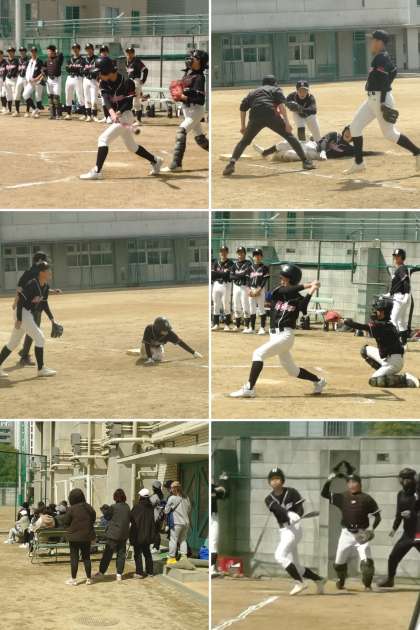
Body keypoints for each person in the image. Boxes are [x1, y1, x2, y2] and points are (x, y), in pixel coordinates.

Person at [229, 264, 326, 398]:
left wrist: (312, 290)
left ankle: (249, 388)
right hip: (274, 336)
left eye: (283, 278)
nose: (281, 280)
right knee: (292, 370)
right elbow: (286, 291)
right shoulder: (278, 291)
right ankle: (318, 381)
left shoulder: (297, 298)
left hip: (285, 335)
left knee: (258, 354)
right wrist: (310, 285)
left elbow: (303, 307)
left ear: (291, 279)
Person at [345, 29, 420, 176]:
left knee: (390, 134)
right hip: (372, 100)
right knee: (355, 128)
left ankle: (417, 152)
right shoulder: (382, 57)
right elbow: (393, 71)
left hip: (380, 100)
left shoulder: (380, 58)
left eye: (373, 40)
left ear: (379, 42)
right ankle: (359, 163)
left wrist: (382, 102)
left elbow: (386, 80)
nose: (371, 43)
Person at [80, 57, 162, 180]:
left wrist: (119, 112)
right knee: (132, 147)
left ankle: (97, 171)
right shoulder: (103, 82)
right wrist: (112, 112)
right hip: (118, 117)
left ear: (107, 71)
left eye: (100, 72)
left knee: (102, 139)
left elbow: (128, 103)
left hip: (126, 116)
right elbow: (106, 100)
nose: (99, 75)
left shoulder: (127, 82)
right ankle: (156, 160)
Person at [223, 75, 315, 176]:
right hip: (271, 114)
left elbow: (242, 108)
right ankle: (305, 162)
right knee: (289, 136)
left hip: (255, 117)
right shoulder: (276, 89)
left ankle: (231, 164)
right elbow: (281, 107)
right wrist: (287, 123)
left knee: (244, 142)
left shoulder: (252, 92)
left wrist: (243, 126)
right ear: (274, 83)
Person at [266, 468, 325, 595]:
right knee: (296, 566)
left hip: (294, 529)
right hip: (283, 530)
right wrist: (288, 513)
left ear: (282, 480)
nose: (275, 481)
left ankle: (299, 582)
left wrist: (297, 515)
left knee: (279, 555)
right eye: (272, 479)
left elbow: (300, 509)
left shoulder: (292, 492)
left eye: (277, 478)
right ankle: (318, 579)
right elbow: (277, 508)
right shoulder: (269, 498)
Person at [321, 468, 381, 590]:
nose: (352, 485)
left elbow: (378, 517)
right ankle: (341, 581)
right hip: (346, 534)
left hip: (361, 534)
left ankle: (367, 585)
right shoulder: (342, 497)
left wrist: (371, 529)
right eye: (349, 482)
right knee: (338, 564)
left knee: (367, 563)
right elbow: (324, 494)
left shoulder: (367, 498)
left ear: (360, 484)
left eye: (354, 482)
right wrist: (329, 480)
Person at [344, 295, 419, 387]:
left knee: (374, 381)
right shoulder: (387, 323)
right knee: (364, 350)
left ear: (384, 313)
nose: (375, 312)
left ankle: (405, 379)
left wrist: (350, 323)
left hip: (394, 362)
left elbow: (364, 327)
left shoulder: (381, 326)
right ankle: (384, 373)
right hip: (388, 358)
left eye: (378, 310)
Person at [0, 261, 59, 378]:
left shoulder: (45, 286)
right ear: (41, 273)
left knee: (13, 343)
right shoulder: (32, 284)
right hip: (21, 313)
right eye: (48, 270)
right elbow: (20, 301)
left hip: (26, 314)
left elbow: (44, 304)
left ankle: (41, 369)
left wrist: (52, 320)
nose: (50, 272)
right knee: (40, 338)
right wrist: (19, 319)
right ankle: (41, 369)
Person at [15, 250, 62, 367]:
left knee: (31, 331)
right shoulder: (32, 273)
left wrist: (52, 291)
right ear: (40, 260)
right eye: (44, 260)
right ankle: (24, 355)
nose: (46, 263)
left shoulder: (33, 271)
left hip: (35, 306)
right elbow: (21, 288)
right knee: (33, 332)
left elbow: (40, 289)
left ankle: (24, 353)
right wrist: (16, 302)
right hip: (31, 308)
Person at [164, 49, 208, 172]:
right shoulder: (188, 74)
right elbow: (184, 91)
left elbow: (200, 100)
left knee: (181, 131)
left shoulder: (199, 77)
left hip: (195, 111)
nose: (190, 59)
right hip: (187, 110)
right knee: (201, 140)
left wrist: (184, 97)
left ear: (200, 62)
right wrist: (179, 95)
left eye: (194, 58)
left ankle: (177, 164)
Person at [378, 468, 420, 588]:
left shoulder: (418, 493)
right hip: (407, 534)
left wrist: (412, 514)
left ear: (412, 479)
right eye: (402, 478)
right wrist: (394, 528)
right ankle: (390, 579)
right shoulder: (400, 494)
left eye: (407, 478)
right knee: (393, 556)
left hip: (418, 533)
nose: (403, 481)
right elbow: (399, 513)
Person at [94, 488, 131, 582]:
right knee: (121, 554)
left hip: (113, 534)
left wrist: (105, 512)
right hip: (123, 534)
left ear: (115, 497)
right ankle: (119, 574)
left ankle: (101, 572)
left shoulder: (113, 507)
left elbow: (107, 517)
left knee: (107, 554)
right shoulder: (127, 507)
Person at [61, 488, 96, 586]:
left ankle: (73, 579)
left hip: (74, 536)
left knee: (74, 557)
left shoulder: (71, 509)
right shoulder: (88, 507)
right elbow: (93, 518)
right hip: (87, 536)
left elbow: (66, 521)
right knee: (86, 557)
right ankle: (89, 579)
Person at [138, 316, 203, 364]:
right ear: (157, 329)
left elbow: (180, 343)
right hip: (146, 346)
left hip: (157, 346)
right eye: (164, 330)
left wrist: (193, 352)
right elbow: (147, 343)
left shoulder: (170, 334)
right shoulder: (149, 329)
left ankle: (154, 352)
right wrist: (150, 358)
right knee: (144, 357)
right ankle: (145, 353)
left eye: (167, 329)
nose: (167, 331)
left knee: (157, 358)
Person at [164, 481, 194, 568]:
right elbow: (189, 509)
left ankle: (171, 558)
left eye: (171, 488)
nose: (170, 489)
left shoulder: (172, 498)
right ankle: (183, 557)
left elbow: (166, 510)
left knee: (173, 540)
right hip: (186, 522)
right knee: (183, 540)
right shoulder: (186, 497)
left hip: (177, 522)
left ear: (174, 489)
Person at [387, 248, 412, 348]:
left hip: (401, 297)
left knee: (393, 319)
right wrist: (390, 293)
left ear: (402, 257)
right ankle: (404, 345)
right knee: (401, 321)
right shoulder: (400, 268)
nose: (395, 258)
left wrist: (406, 295)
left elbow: (406, 282)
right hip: (400, 296)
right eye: (395, 256)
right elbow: (397, 284)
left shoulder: (401, 268)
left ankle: (394, 343)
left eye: (398, 256)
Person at [130, 488, 156, 578]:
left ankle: (139, 572)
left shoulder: (137, 507)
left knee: (137, 553)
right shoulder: (151, 507)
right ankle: (150, 572)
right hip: (147, 534)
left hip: (137, 533)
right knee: (147, 552)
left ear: (141, 497)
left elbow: (131, 518)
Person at [211, 245, 235, 331]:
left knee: (226, 305)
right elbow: (212, 275)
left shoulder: (231, 263)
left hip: (226, 285)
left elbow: (228, 275)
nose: (223, 253)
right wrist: (222, 274)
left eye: (225, 251)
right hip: (216, 284)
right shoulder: (216, 262)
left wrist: (218, 274)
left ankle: (227, 325)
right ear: (219, 253)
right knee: (216, 305)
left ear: (227, 252)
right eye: (221, 251)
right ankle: (216, 324)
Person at [248, 248, 270, 335]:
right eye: (255, 255)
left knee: (261, 308)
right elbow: (247, 280)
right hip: (251, 289)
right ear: (253, 257)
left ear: (261, 257)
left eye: (259, 255)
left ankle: (262, 328)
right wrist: (249, 289)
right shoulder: (250, 268)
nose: (257, 257)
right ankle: (252, 328)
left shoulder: (265, 267)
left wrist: (259, 289)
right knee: (252, 309)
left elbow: (265, 280)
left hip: (260, 289)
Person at [125, 44, 148, 123]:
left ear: (133, 53)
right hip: (129, 82)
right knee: (129, 100)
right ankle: (132, 119)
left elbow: (145, 70)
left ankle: (138, 120)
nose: (129, 54)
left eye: (131, 52)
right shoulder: (126, 62)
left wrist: (143, 80)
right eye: (128, 52)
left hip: (136, 81)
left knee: (136, 100)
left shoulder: (136, 61)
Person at [231, 246, 252, 333]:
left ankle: (247, 326)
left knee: (245, 305)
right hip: (236, 286)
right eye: (238, 252)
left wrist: (237, 275)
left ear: (245, 253)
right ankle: (237, 326)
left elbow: (247, 273)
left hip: (244, 286)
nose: (240, 254)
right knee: (236, 306)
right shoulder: (234, 265)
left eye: (242, 252)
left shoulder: (248, 263)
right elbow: (231, 276)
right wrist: (241, 275)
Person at [64, 43, 86, 120]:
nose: (75, 49)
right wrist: (75, 67)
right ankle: (68, 114)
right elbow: (67, 69)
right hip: (69, 77)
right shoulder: (69, 59)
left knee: (80, 96)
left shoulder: (82, 60)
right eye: (73, 48)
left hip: (78, 78)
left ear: (79, 49)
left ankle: (85, 114)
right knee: (68, 96)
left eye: (76, 48)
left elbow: (81, 70)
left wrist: (72, 67)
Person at [22, 46, 44, 118]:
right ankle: (34, 108)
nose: (33, 53)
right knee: (25, 95)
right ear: (30, 52)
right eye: (32, 51)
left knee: (38, 97)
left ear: (36, 52)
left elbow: (43, 72)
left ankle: (37, 112)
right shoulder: (28, 61)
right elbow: (27, 71)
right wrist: (27, 79)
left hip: (38, 82)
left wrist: (37, 78)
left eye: (34, 51)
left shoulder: (39, 61)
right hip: (30, 82)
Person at [45, 44, 64, 120]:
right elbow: (44, 68)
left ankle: (58, 115)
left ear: (53, 52)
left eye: (49, 51)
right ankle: (52, 115)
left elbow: (61, 54)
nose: (48, 53)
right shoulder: (47, 60)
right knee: (50, 97)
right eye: (48, 51)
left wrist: (55, 50)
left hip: (57, 79)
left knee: (56, 98)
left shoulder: (58, 59)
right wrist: (43, 73)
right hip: (49, 80)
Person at [83, 43, 100, 122]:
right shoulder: (84, 59)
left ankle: (95, 115)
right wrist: (85, 70)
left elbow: (98, 69)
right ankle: (89, 115)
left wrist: (92, 71)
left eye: (90, 48)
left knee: (94, 98)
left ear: (92, 49)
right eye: (87, 49)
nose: (88, 50)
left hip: (94, 80)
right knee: (87, 98)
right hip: (86, 80)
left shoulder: (97, 58)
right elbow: (81, 69)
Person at [149, 481, 165, 550]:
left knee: (155, 532)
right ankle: (156, 546)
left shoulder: (154, 497)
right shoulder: (162, 496)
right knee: (157, 531)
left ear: (154, 488)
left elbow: (149, 505)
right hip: (160, 516)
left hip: (155, 517)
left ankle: (156, 546)